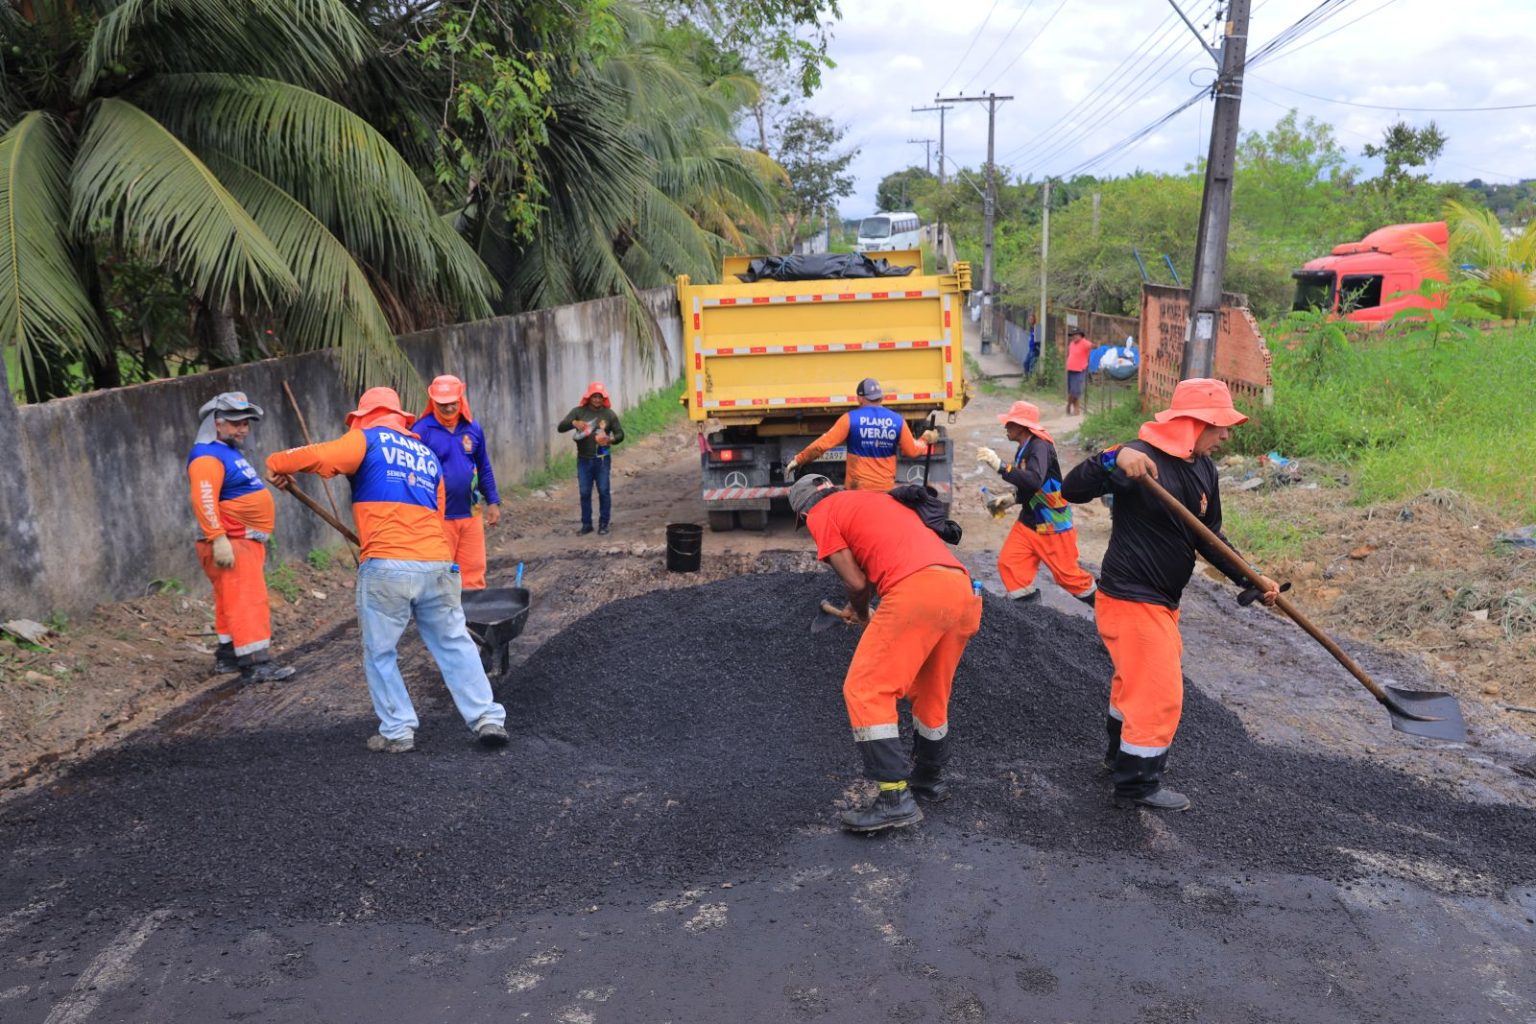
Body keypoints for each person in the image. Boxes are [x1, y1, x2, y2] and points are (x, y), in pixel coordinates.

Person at [1061, 378, 1279, 811]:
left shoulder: (1204, 469)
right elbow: (1072, 489)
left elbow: (1208, 536)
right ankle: (1137, 785)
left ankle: (1118, 759)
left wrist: (1249, 578)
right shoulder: (1139, 458)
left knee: (1134, 688)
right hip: (1130, 597)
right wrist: (1112, 458)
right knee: (1159, 693)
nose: (1227, 435)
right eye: (1220, 426)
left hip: (1162, 601)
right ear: (1195, 423)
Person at [267, 387, 509, 753]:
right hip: (436, 563)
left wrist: (277, 464)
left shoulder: (364, 439)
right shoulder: (427, 455)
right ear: (401, 418)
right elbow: (437, 510)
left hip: (387, 567)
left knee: (380, 652)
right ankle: (487, 718)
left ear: (363, 417)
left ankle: (398, 730)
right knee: (455, 643)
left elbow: (307, 457)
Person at [789, 473, 983, 833]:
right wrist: (861, 606)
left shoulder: (821, 514)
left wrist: (860, 611)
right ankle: (929, 780)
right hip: (960, 589)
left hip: (920, 592)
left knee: (865, 689)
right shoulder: (875, 501)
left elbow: (857, 582)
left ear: (803, 513)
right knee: (929, 692)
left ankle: (894, 799)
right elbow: (882, 561)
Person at [187, 392, 296, 683]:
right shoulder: (206, 456)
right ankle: (256, 664)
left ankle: (229, 657)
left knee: (230, 600)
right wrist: (218, 538)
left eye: (246, 422)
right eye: (235, 422)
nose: (243, 428)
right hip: (232, 542)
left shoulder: (226, 451)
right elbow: (204, 498)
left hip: (238, 541)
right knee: (248, 600)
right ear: (216, 423)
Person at [976, 400, 1097, 605]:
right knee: (1011, 564)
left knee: (1069, 578)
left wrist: (1001, 466)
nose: (1006, 427)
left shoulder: (1040, 445)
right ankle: (1032, 619)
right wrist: (1012, 499)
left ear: (1023, 427)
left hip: (1052, 523)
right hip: (1030, 521)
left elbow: (1034, 479)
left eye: (1010, 423)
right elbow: (1030, 485)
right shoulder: (1025, 447)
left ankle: (1108, 606)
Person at [412, 375, 501, 590]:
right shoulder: (421, 431)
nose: (449, 407)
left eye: (453, 402)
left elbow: (483, 466)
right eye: (443, 404)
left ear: (461, 399)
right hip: (438, 516)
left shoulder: (473, 428)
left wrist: (493, 502)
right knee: (440, 576)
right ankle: (442, 621)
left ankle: (473, 620)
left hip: (471, 511)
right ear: (433, 402)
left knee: (473, 572)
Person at [784, 378, 940, 491]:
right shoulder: (897, 421)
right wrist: (925, 439)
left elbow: (822, 445)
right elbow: (912, 450)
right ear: (881, 397)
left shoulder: (850, 419)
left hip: (857, 489)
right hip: (884, 490)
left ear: (859, 398)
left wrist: (798, 460)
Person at [558, 382, 625, 536]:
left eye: (600, 397)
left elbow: (620, 434)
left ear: (604, 398)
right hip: (583, 460)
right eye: (594, 396)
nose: (597, 400)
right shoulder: (578, 412)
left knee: (603, 491)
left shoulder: (609, 414)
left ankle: (603, 524)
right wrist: (574, 422)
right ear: (588, 397)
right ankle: (586, 525)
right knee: (585, 492)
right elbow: (561, 427)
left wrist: (610, 440)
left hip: (602, 459)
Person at [1065, 327, 1094, 416]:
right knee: (1071, 391)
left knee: (1075, 391)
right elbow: (1070, 354)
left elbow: (1093, 346)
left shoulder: (1085, 343)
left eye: (1075, 335)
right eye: (1072, 335)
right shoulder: (1071, 344)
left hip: (1080, 369)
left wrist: (1098, 345)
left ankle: (1070, 405)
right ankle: (1076, 409)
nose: (1073, 337)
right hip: (1070, 369)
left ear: (1081, 336)